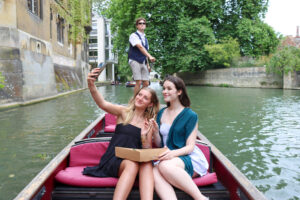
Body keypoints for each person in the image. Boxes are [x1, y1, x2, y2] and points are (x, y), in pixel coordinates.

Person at [82, 67, 159, 200]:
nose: (140, 98)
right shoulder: (124, 112)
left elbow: (147, 150)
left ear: (150, 104)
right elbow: (102, 103)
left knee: (140, 163)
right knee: (131, 163)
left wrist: (144, 135)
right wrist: (91, 84)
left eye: (145, 98)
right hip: (114, 158)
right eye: (139, 95)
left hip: (134, 160)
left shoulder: (149, 123)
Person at [151, 75, 209, 200]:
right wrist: (155, 132)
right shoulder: (161, 112)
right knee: (154, 172)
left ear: (179, 91)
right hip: (167, 156)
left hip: (186, 155)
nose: (164, 91)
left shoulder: (190, 115)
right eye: (164, 88)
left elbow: (190, 147)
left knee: (164, 166)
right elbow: (160, 143)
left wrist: (172, 154)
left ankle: (200, 198)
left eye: (169, 88)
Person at [128, 17, 156, 95]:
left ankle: (140, 96)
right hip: (134, 60)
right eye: (140, 23)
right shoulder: (133, 35)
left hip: (143, 61)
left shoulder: (145, 39)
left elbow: (145, 52)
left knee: (146, 83)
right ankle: (135, 100)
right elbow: (140, 47)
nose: (142, 24)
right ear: (137, 26)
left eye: (144, 23)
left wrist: (147, 64)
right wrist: (150, 56)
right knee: (138, 81)